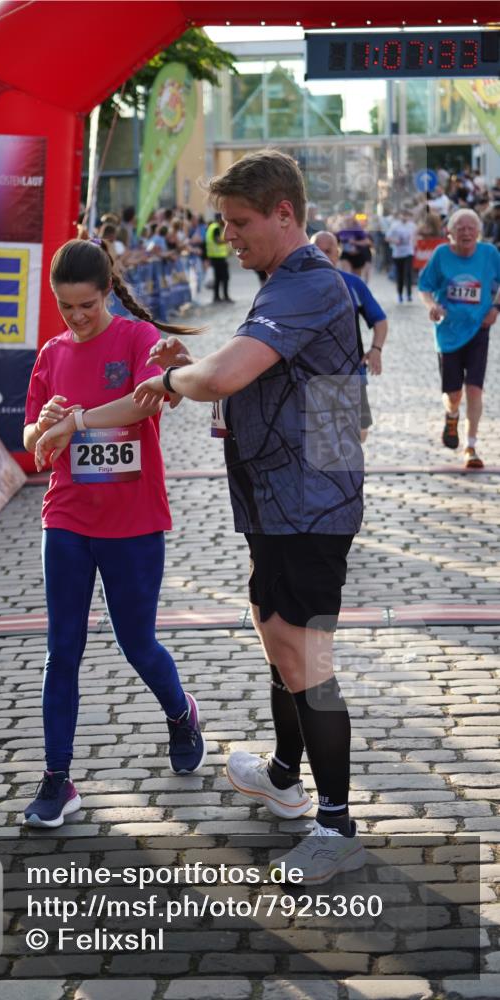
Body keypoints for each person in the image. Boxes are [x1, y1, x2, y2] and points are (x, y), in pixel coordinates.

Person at [134, 150, 365, 884]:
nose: (226, 236)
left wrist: (179, 376)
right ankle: (282, 774)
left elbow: (225, 377)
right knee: (276, 635)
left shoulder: (307, 282)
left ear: (283, 215)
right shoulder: (290, 284)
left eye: (238, 223)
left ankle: (335, 825)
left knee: (306, 663)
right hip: (287, 503)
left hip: (304, 511)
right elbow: (342, 409)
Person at [21, 237, 206, 828]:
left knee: (137, 643)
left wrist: (76, 418)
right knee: (62, 651)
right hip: (67, 517)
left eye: (88, 306)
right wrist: (45, 426)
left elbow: (145, 402)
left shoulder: (135, 338)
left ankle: (180, 714)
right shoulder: (50, 353)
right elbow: (28, 440)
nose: (77, 317)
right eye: (66, 306)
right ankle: (57, 778)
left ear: (107, 294)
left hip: (133, 521)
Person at [418, 208, 500, 469]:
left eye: (470, 228)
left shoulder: (489, 253)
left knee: (475, 389)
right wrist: (432, 305)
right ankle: (452, 415)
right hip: (448, 332)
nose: (466, 232)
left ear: (478, 232)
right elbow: (425, 287)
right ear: (449, 232)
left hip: (478, 328)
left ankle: (471, 446)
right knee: (453, 394)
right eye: (460, 228)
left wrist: (495, 308)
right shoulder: (442, 255)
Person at [311, 231, 388, 442]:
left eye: (328, 251)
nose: (323, 256)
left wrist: (376, 349)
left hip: (352, 371)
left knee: (359, 434)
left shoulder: (353, 284)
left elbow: (380, 320)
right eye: (317, 251)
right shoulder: (298, 287)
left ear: (337, 254)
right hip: (312, 375)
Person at [386, 208, 418, 303]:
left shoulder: (412, 226)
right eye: (403, 215)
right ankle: (399, 294)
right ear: (400, 216)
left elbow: (416, 236)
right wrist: (394, 241)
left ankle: (409, 294)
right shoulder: (395, 225)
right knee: (400, 274)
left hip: (409, 251)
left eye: (406, 215)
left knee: (408, 273)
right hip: (398, 253)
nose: (405, 217)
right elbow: (387, 238)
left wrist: (414, 242)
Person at [336, 214, 373, 283]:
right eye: (346, 221)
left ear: (353, 221)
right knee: (347, 274)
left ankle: (355, 289)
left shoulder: (358, 230)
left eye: (349, 221)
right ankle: (348, 290)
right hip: (346, 255)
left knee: (356, 277)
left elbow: (367, 242)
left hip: (358, 255)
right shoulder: (341, 232)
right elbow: (335, 241)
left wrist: (355, 242)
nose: (347, 222)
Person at [205, 212, 233, 303]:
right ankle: (225, 296)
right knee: (225, 277)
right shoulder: (216, 228)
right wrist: (227, 241)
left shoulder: (211, 227)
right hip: (218, 257)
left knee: (217, 278)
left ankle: (217, 297)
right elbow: (217, 241)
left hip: (214, 257)